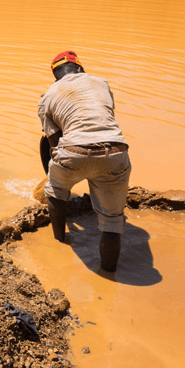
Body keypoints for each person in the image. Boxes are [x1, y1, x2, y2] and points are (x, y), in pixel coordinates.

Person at [38, 51, 132, 272]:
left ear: (56, 77)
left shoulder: (47, 96)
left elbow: (54, 143)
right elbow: (105, 118)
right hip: (115, 149)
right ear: (80, 68)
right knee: (112, 222)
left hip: (73, 150)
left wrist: (62, 172)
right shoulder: (102, 83)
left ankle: (60, 240)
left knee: (56, 189)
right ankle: (110, 273)